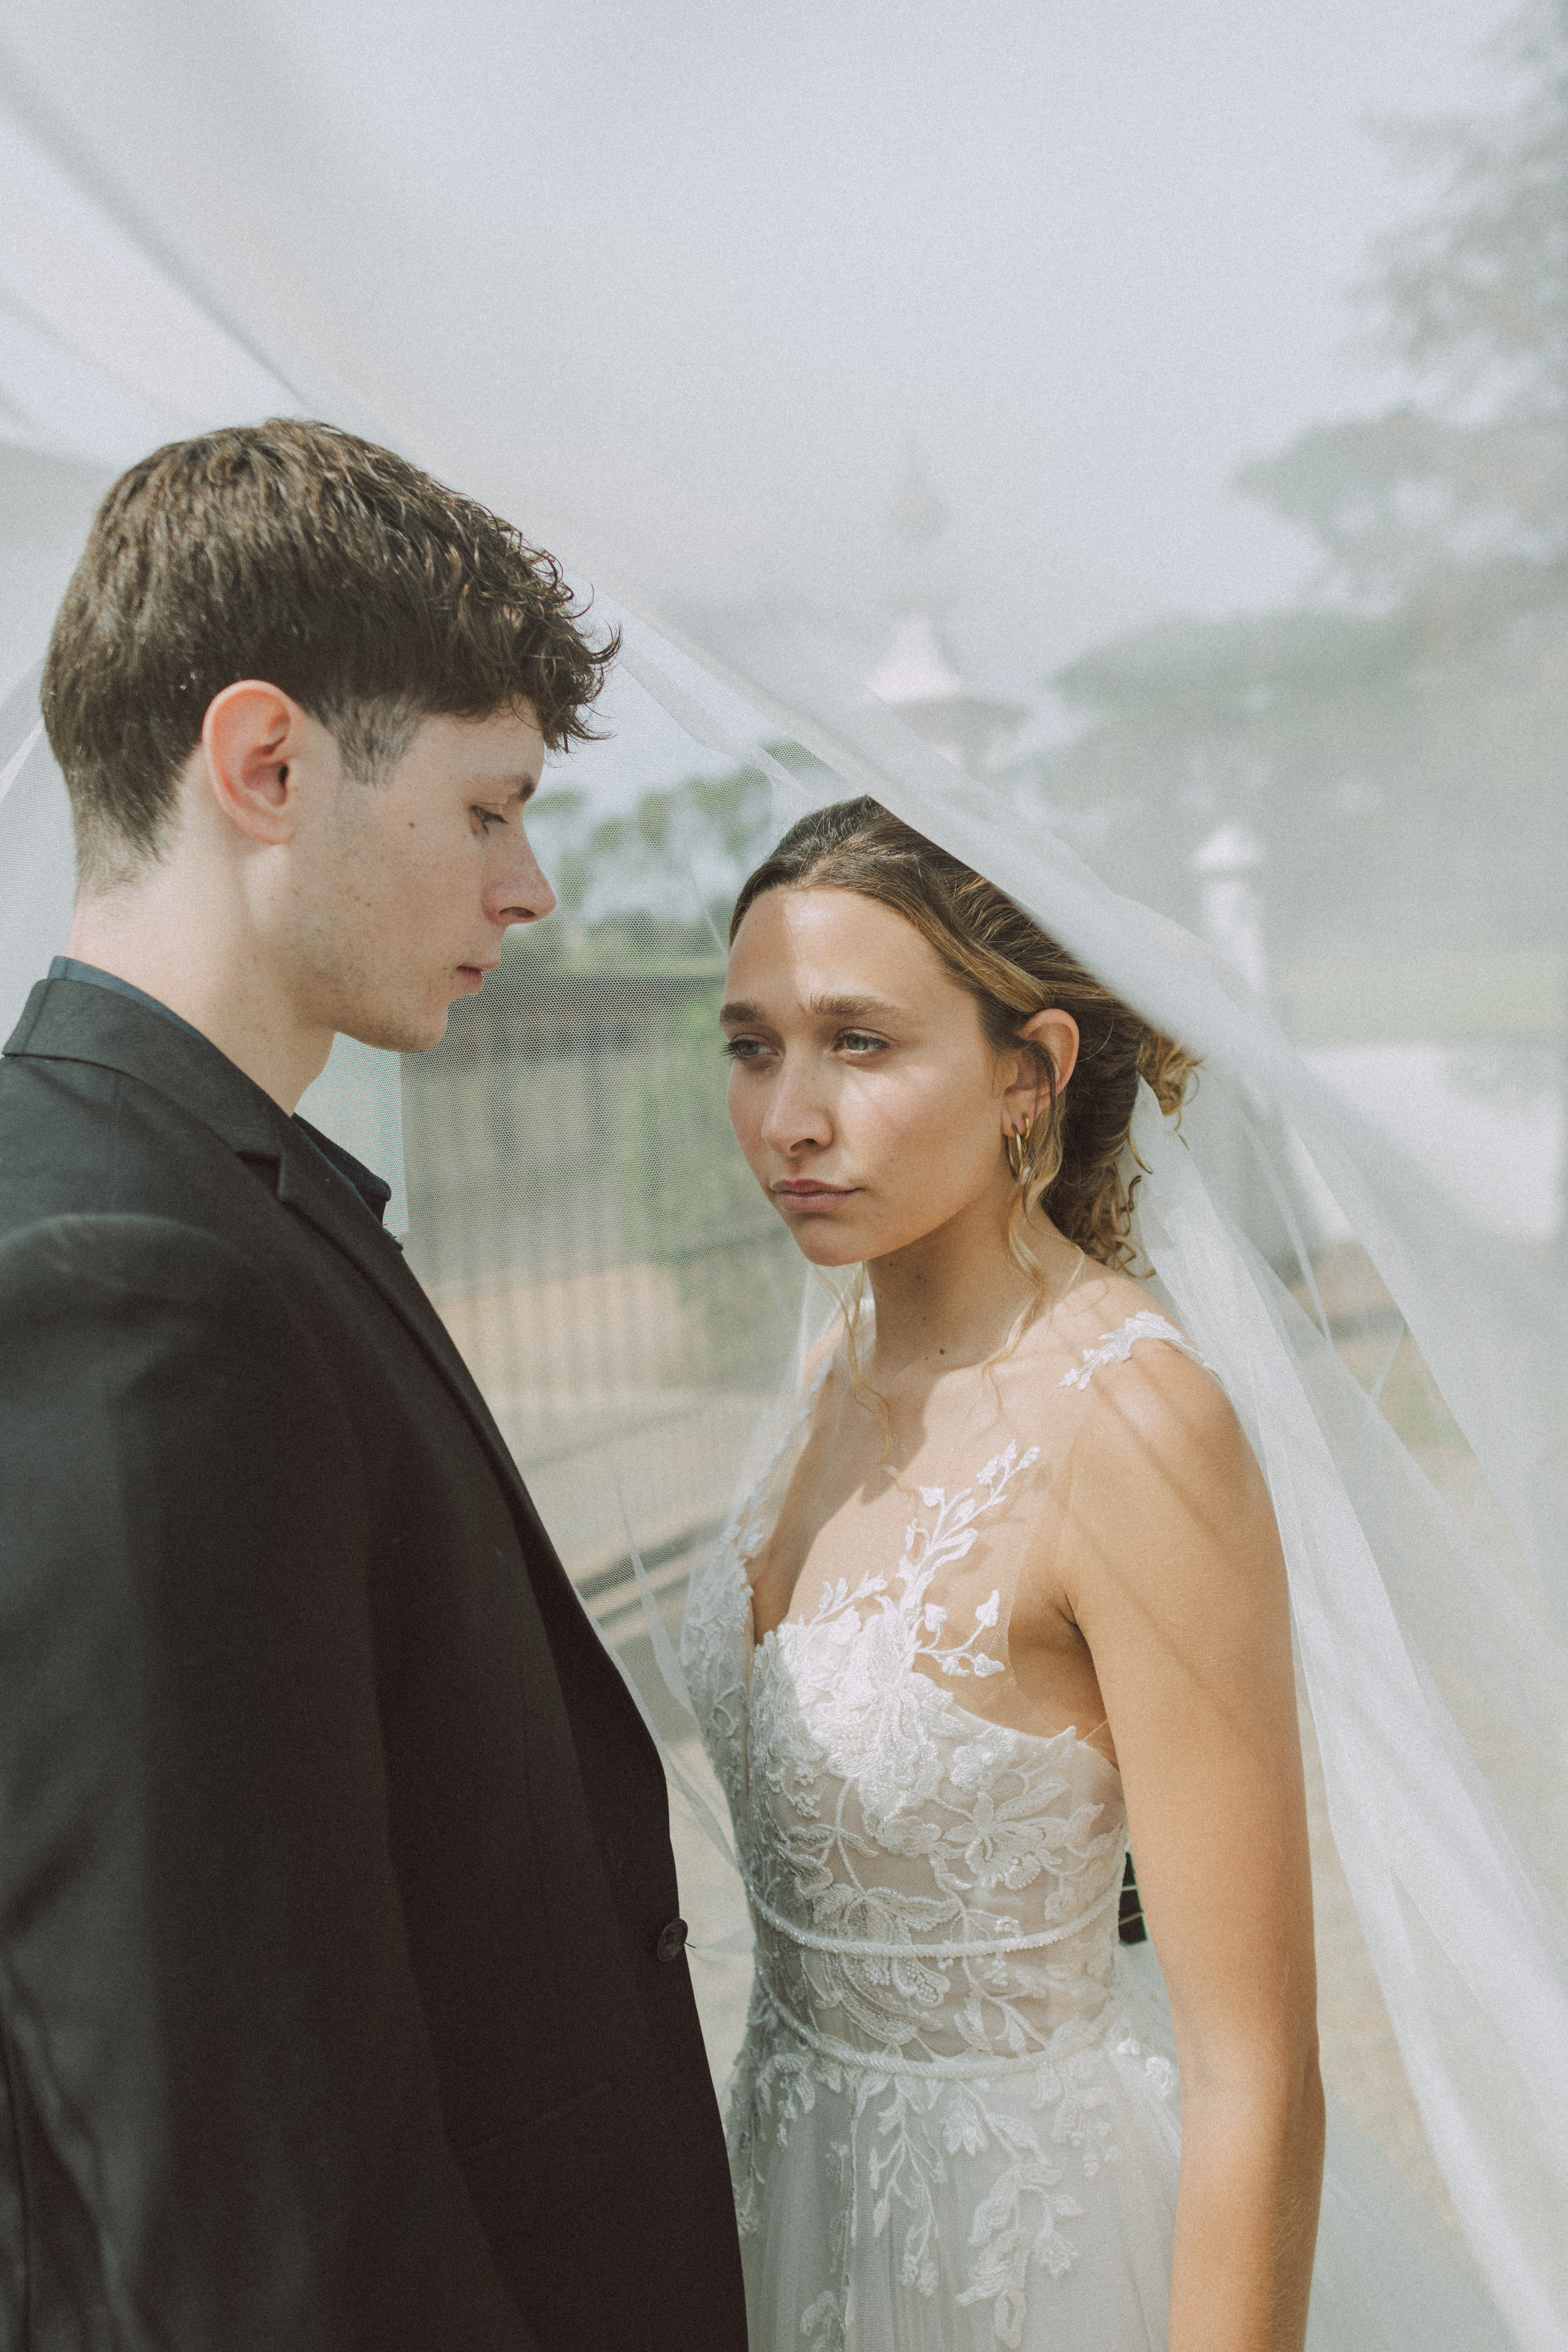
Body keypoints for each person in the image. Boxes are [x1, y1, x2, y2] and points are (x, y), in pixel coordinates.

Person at [0, 419, 747, 2351]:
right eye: (490, 808)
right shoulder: (125, 1281)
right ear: (267, 767)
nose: (534, 889)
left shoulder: (198, 1187)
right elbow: (235, 2185)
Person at [676, 796, 1487, 2352]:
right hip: (787, 2213)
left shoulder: (1129, 1424)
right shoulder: (831, 1371)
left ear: (1024, 1076)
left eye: (858, 1042)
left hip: (1032, 2263)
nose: (787, 1115)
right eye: (750, 1045)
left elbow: (1255, 2066)